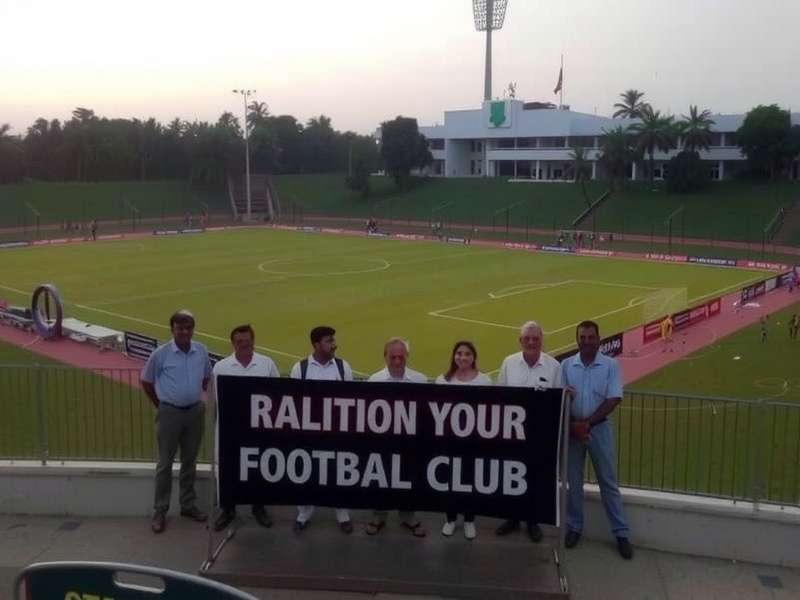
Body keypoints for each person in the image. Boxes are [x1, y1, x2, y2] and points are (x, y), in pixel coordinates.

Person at [561, 320, 632, 559]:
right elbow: (561, 398)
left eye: (591, 337)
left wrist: (587, 424)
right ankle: (575, 527)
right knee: (573, 481)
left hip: (598, 429)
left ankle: (621, 533)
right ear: (577, 339)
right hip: (573, 431)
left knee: (608, 482)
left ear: (598, 339)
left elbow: (614, 398)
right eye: (582, 337)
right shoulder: (566, 365)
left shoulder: (610, 365)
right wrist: (573, 425)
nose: (587, 341)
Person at [141, 310, 211, 534]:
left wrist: (195, 395)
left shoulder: (201, 350)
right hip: (170, 412)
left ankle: (188, 505)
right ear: (172, 330)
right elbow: (146, 380)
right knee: (165, 463)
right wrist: (161, 404)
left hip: (195, 412)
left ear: (193, 328)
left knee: (189, 461)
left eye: (188, 327)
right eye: (180, 328)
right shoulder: (161, 353)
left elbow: (207, 376)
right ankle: (160, 510)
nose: (184, 331)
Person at [495, 321, 562, 542]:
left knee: (533, 476)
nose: (532, 342)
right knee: (511, 476)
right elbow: (500, 396)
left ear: (542, 340)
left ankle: (532, 521)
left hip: (539, 434)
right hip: (512, 434)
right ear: (520, 341)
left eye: (536, 338)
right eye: (528, 339)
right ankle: (513, 518)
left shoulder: (553, 366)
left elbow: (558, 401)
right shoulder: (509, 363)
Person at [212, 324, 280, 532]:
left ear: (253, 341)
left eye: (248, 341)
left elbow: (277, 394)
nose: (244, 345)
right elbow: (216, 400)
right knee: (229, 467)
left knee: (258, 467)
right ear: (233, 344)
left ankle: (258, 507)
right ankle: (228, 509)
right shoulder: (221, 367)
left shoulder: (266, 363)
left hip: (259, 428)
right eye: (240, 341)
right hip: (231, 428)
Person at [289, 325, 355, 534]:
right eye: (328, 341)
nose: (334, 344)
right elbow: (292, 401)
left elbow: (352, 399)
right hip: (309, 432)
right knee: (307, 471)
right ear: (316, 344)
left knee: (338, 471)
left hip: (336, 431)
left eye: (333, 340)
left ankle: (342, 513)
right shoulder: (301, 368)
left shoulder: (343, 367)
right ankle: (304, 513)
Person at [364, 337, 428, 537]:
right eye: (393, 357)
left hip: (409, 443)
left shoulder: (420, 380)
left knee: (408, 479)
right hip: (383, 442)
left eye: (401, 357)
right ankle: (378, 516)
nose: (398, 361)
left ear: (407, 356)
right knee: (380, 479)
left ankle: (408, 517)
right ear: (385, 357)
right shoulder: (374, 380)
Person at [435, 340, 492, 540]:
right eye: (459, 353)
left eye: (467, 354)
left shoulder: (484, 381)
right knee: (449, 481)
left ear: (474, 357)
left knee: (470, 481)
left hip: (474, 441)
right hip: (449, 442)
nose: (463, 357)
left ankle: (469, 520)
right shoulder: (442, 380)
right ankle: (450, 519)